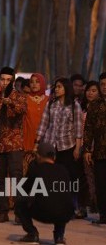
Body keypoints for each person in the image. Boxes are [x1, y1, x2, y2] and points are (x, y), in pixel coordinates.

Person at [35, 77, 83, 220]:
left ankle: (72, 207)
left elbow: (78, 130)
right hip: (51, 146)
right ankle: (51, 206)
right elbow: (43, 124)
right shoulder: (51, 104)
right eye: (56, 86)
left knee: (69, 178)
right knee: (51, 178)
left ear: (66, 88)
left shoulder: (75, 106)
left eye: (60, 87)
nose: (57, 89)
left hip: (67, 146)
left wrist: (77, 148)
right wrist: (37, 143)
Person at [0, 66, 26, 224]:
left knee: (17, 179)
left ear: (13, 81)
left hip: (15, 144)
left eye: (8, 80)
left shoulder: (19, 97)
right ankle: (2, 212)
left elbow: (21, 111)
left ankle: (20, 213)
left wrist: (9, 102)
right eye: (2, 79)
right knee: (0, 178)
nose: (4, 83)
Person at [15, 142, 74, 244]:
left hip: (43, 212)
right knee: (61, 203)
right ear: (54, 157)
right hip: (66, 214)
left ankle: (32, 233)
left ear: (38, 156)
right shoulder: (63, 169)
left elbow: (23, 189)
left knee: (20, 202)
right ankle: (59, 236)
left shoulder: (35, 169)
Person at [84, 78, 106, 224]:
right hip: (100, 151)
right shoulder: (94, 105)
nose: (105, 87)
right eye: (103, 84)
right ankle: (103, 215)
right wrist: (86, 149)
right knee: (101, 184)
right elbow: (88, 129)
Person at [22, 73, 49, 175]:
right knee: (27, 171)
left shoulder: (49, 100)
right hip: (28, 138)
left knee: (44, 171)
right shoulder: (24, 99)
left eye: (37, 82)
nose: (34, 84)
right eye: (32, 82)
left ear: (42, 83)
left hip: (45, 138)